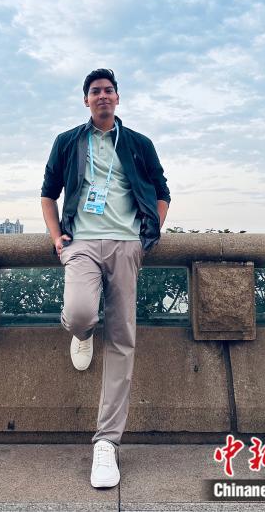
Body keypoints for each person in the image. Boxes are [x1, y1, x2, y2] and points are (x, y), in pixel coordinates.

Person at [40, 68, 170, 488]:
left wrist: (148, 234)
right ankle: (81, 333)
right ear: (86, 100)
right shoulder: (68, 141)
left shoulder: (138, 143)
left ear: (117, 98)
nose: (102, 96)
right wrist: (56, 235)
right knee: (80, 313)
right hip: (80, 243)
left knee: (121, 339)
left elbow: (162, 190)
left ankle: (107, 442)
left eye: (108, 90)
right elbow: (48, 192)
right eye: (95, 91)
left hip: (126, 245)